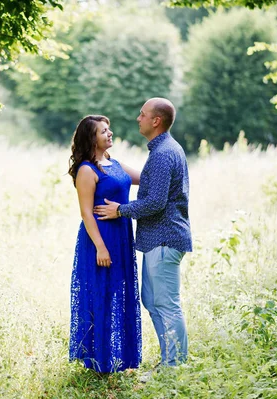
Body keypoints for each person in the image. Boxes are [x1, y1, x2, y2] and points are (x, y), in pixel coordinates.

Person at [94, 98, 192, 378]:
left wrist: (119, 211)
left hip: (165, 238)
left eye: (142, 114)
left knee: (166, 304)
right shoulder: (163, 150)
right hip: (159, 239)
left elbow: (155, 202)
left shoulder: (163, 153)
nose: (138, 118)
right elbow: (147, 185)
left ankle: (175, 368)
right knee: (152, 300)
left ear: (155, 121)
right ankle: (170, 363)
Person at [68, 114, 142, 373]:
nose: (110, 134)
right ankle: (98, 362)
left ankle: (120, 358)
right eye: (103, 131)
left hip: (121, 238)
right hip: (100, 240)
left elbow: (144, 178)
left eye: (109, 129)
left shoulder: (114, 163)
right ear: (92, 138)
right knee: (100, 295)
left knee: (119, 296)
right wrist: (100, 246)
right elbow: (86, 213)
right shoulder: (87, 170)